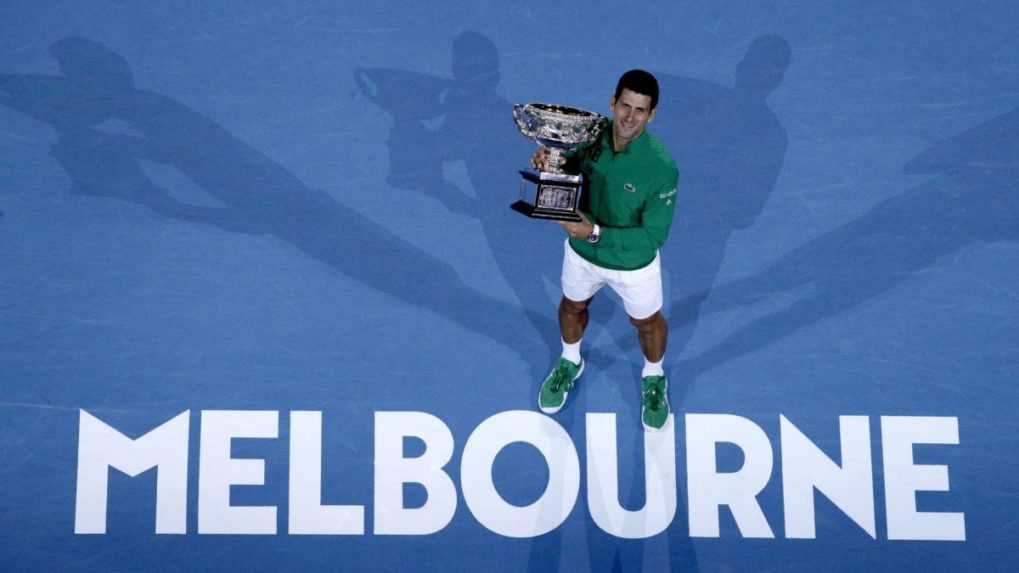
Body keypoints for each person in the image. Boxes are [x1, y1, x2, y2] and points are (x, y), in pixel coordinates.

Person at [531, 69, 679, 431]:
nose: (629, 117)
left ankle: (654, 377)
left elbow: (652, 237)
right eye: (624, 106)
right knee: (571, 306)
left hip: (633, 264)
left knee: (647, 324)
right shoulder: (590, 135)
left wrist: (595, 232)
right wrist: (552, 161)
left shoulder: (662, 167)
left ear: (652, 114)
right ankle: (570, 361)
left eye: (640, 110)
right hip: (583, 253)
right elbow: (571, 163)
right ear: (612, 103)